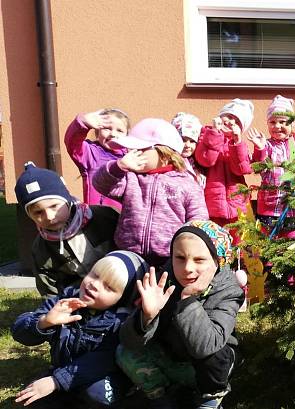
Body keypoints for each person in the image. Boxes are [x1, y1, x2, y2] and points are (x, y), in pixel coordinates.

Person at [116, 221, 245, 409]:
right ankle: (161, 395)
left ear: (218, 261)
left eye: (199, 260)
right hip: (171, 357)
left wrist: (188, 299)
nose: (187, 268)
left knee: (215, 359)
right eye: (180, 258)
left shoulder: (229, 291)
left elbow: (205, 346)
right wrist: (146, 317)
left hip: (205, 370)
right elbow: (128, 341)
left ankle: (210, 398)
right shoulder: (165, 280)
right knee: (124, 351)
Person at [12, 250, 147, 408]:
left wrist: (56, 381)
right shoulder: (66, 300)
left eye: (109, 287)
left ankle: (128, 397)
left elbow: (103, 361)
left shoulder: (121, 321)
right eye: (95, 274)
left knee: (95, 395)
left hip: (102, 377)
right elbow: (19, 331)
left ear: (123, 298)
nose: (94, 284)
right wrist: (44, 322)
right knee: (33, 401)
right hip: (62, 370)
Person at [92, 118, 208, 267]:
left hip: (168, 258)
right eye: (130, 149)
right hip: (128, 254)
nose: (131, 154)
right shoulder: (131, 178)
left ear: (164, 153)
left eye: (139, 150)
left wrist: (188, 251)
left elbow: (198, 220)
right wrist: (118, 166)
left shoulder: (187, 184)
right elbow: (101, 184)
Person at [14, 162, 118, 296]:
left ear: (67, 200)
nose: (50, 217)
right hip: (83, 299)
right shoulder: (41, 248)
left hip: (121, 288)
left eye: (54, 206)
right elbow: (49, 288)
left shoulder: (104, 218)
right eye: (38, 213)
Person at [194, 98, 255, 232]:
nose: (231, 121)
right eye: (228, 115)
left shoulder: (239, 144)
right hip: (212, 203)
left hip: (237, 204)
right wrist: (215, 133)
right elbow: (206, 160)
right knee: (214, 240)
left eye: (237, 120)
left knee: (239, 242)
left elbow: (241, 169)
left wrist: (237, 142)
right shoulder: (206, 135)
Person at [246, 95, 295, 238]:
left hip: (292, 206)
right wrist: (260, 148)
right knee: (268, 243)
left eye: (282, 122)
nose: (277, 126)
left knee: (291, 240)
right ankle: (268, 262)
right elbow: (259, 168)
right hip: (269, 207)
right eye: (272, 122)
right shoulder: (267, 145)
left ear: (292, 124)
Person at [64, 108, 130, 210]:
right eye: (107, 128)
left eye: (120, 130)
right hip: (98, 219)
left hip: (123, 221)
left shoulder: (131, 158)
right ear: (97, 132)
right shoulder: (91, 153)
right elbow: (73, 143)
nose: (113, 134)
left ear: (127, 135)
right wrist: (83, 123)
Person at [171, 112, 206, 187]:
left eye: (192, 141)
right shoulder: (169, 161)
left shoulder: (199, 163)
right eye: (183, 140)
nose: (187, 145)